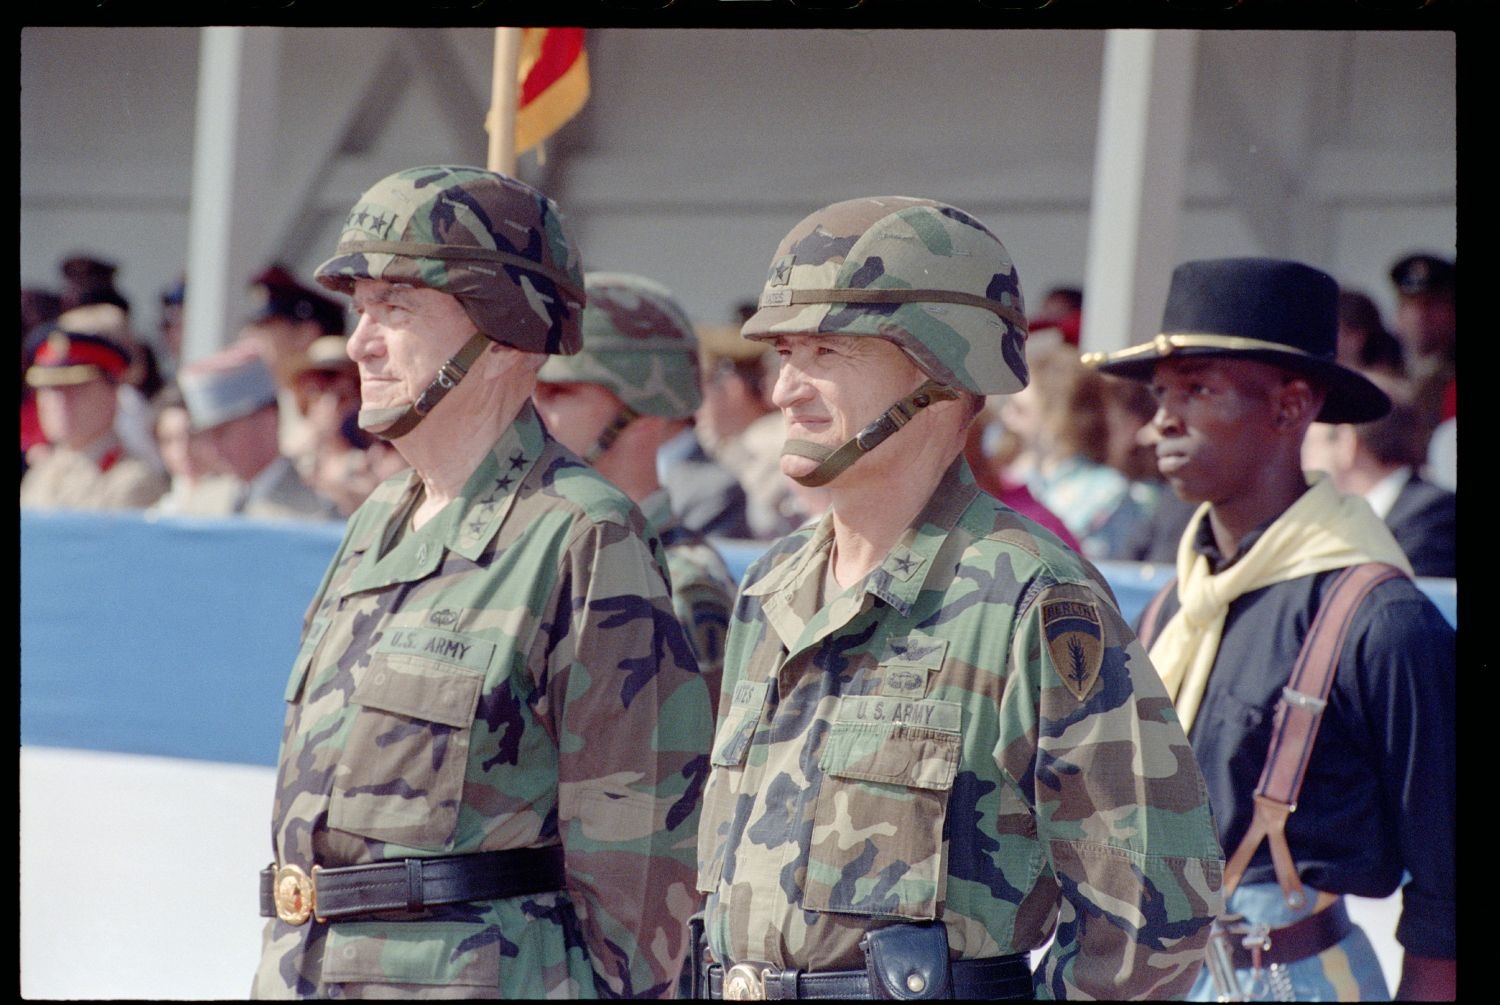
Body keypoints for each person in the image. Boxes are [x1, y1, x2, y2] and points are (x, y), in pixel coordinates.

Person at [692, 196, 1224, 1001]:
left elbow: (1156, 923)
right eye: (785, 353)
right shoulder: (770, 588)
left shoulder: (1032, 598)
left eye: (826, 351)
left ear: (941, 366)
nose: (785, 389)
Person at [250, 165, 712, 1000]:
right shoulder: (376, 523)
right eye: (362, 307)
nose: (361, 340)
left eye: (396, 307)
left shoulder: (581, 535)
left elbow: (638, 896)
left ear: (501, 335)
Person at [1086, 257, 1456, 1001]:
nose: (1162, 417)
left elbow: (1450, 877)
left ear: (1291, 408)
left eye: (1198, 389)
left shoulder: (1378, 620)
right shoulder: (1171, 610)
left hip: (1293, 978)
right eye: (1161, 391)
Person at [533, 271, 738, 712]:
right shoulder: (537, 552)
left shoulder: (680, 587)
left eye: (558, 392)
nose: (532, 410)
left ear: (645, 408)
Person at [998, 339, 1155, 561]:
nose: (1007, 420)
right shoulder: (1013, 476)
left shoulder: (1107, 493)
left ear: (1057, 416)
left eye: (1020, 411)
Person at [1302, 373, 1456, 579]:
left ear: (1346, 444)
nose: (1304, 459)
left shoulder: (1435, 515)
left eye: (1310, 442)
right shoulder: (1325, 522)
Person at [177, 340, 341, 522]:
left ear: (267, 420)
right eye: (206, 436)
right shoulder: (202, 503)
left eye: (222, 432)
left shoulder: (316, 511)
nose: (213, 447)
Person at [21, 325, 168, 510]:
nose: (59, 401)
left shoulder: (132, 481)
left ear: (112, 395)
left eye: (76, 388)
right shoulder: (40, 474)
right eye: (49, 389)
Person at [239, 264, 348, 459]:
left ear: (307, 333)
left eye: (266, 328)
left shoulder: (337, 392)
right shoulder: (276, 397)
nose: (250, 338)